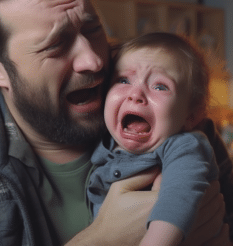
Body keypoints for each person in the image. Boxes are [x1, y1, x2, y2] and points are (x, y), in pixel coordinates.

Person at [0, 0, 233, 245]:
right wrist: (101, 238)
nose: (92, 60)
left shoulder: (171, 115)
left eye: (92, 29)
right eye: (56, 45)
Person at [88, 32, 220, 246]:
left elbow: (178, 199)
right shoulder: (102, 145)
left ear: (191, 115)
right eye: (123, 80)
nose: (136, 93)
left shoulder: (185, 147)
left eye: (160, 86)